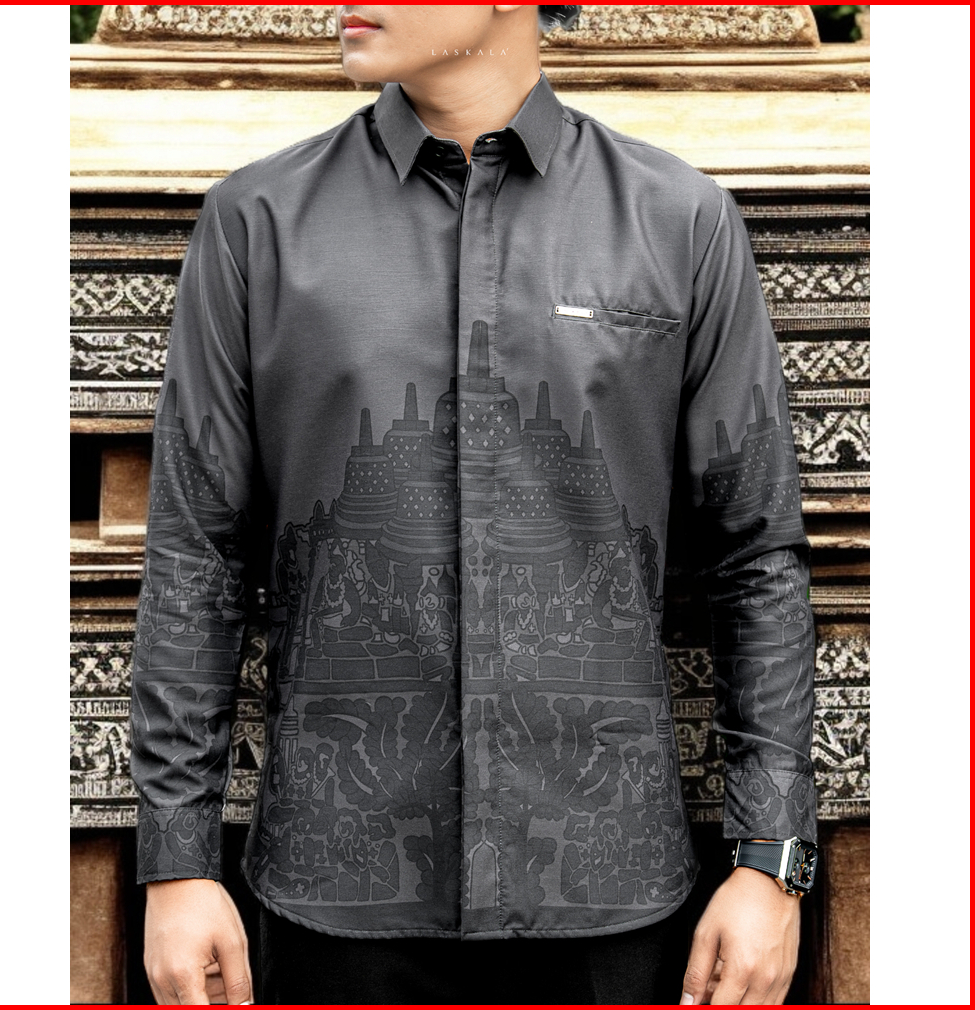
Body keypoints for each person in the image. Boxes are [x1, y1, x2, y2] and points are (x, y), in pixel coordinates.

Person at [131, 5, 818, 1005]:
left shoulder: (676, 222)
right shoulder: (258, 224)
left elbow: (756, 559)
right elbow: (196, 557)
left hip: (606, 891)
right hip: (337, 891)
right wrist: (176, 860)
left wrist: (772, 859)